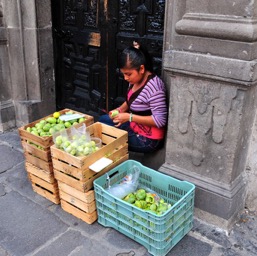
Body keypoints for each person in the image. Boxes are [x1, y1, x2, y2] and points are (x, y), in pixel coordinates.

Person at [98, 42, 168, 153]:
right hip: (134, 126)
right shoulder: (135, 80)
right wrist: (119, 110)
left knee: (106, 136)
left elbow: (160, 120)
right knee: (102, 122)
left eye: (128, 74)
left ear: (141, 69)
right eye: (124, 74)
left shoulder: (155, 88)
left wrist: (129, 117)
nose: (125, 78)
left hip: (148, 139)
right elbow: (131, 100)